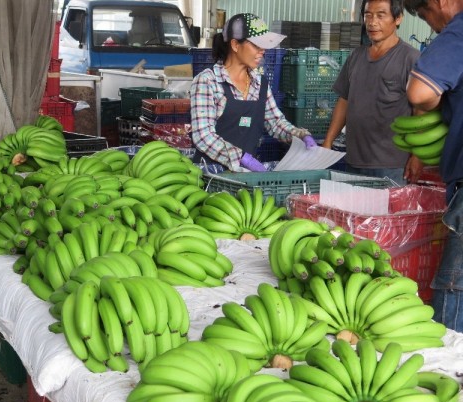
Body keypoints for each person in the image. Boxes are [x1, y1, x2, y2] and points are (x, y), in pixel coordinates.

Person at [190, 13, 316, 172]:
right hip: (210, 174)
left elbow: (275, 124)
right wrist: (241, 157)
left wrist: (299, 135)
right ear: (235, 45)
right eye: (256, 45)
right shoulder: (208, 82)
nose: (262, 50)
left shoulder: (260, 83)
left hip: (244, 177)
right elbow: (203, 136)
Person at [403, 0, 463, 331]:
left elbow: (419, 92)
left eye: (425, 14)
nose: (431, 24)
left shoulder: (457, 33)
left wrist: (436, 99)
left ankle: (448, 373)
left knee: (455, 286)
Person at [321, 0, 420, 185]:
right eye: (368, 15)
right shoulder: (356, 57)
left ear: (398, 18)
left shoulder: (410, 58)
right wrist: (328, 142)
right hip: (354, 159)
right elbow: (344, 101)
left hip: (392, 164)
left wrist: (417, 156)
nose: (372, 22)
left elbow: (421, 112)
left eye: (381, 15)